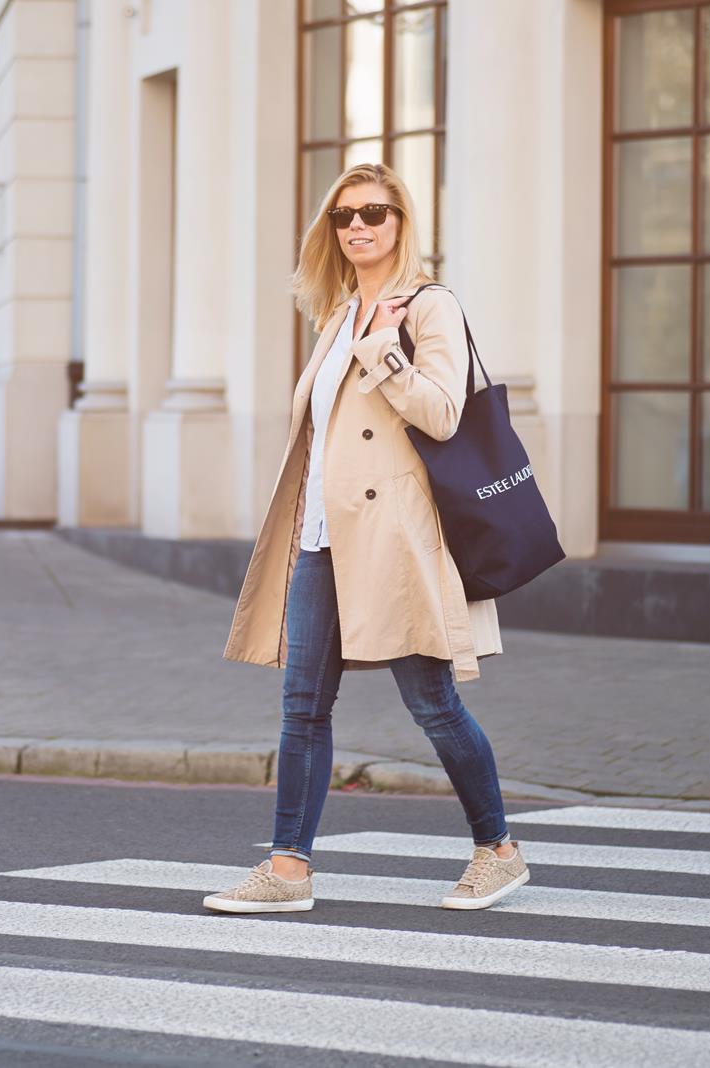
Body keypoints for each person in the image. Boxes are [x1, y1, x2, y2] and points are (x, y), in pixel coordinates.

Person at [208, 163, 527, 915]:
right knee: (302, 706)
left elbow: (443, 414)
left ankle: (499, 850)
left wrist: (386, 350)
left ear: (400, 222)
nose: (358, 226)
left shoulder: (429, 307)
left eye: (374, 213)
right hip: (321, 537)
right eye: (343, 216)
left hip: (394, 539)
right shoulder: (339, 314)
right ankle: (288, 868)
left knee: (433, 704)